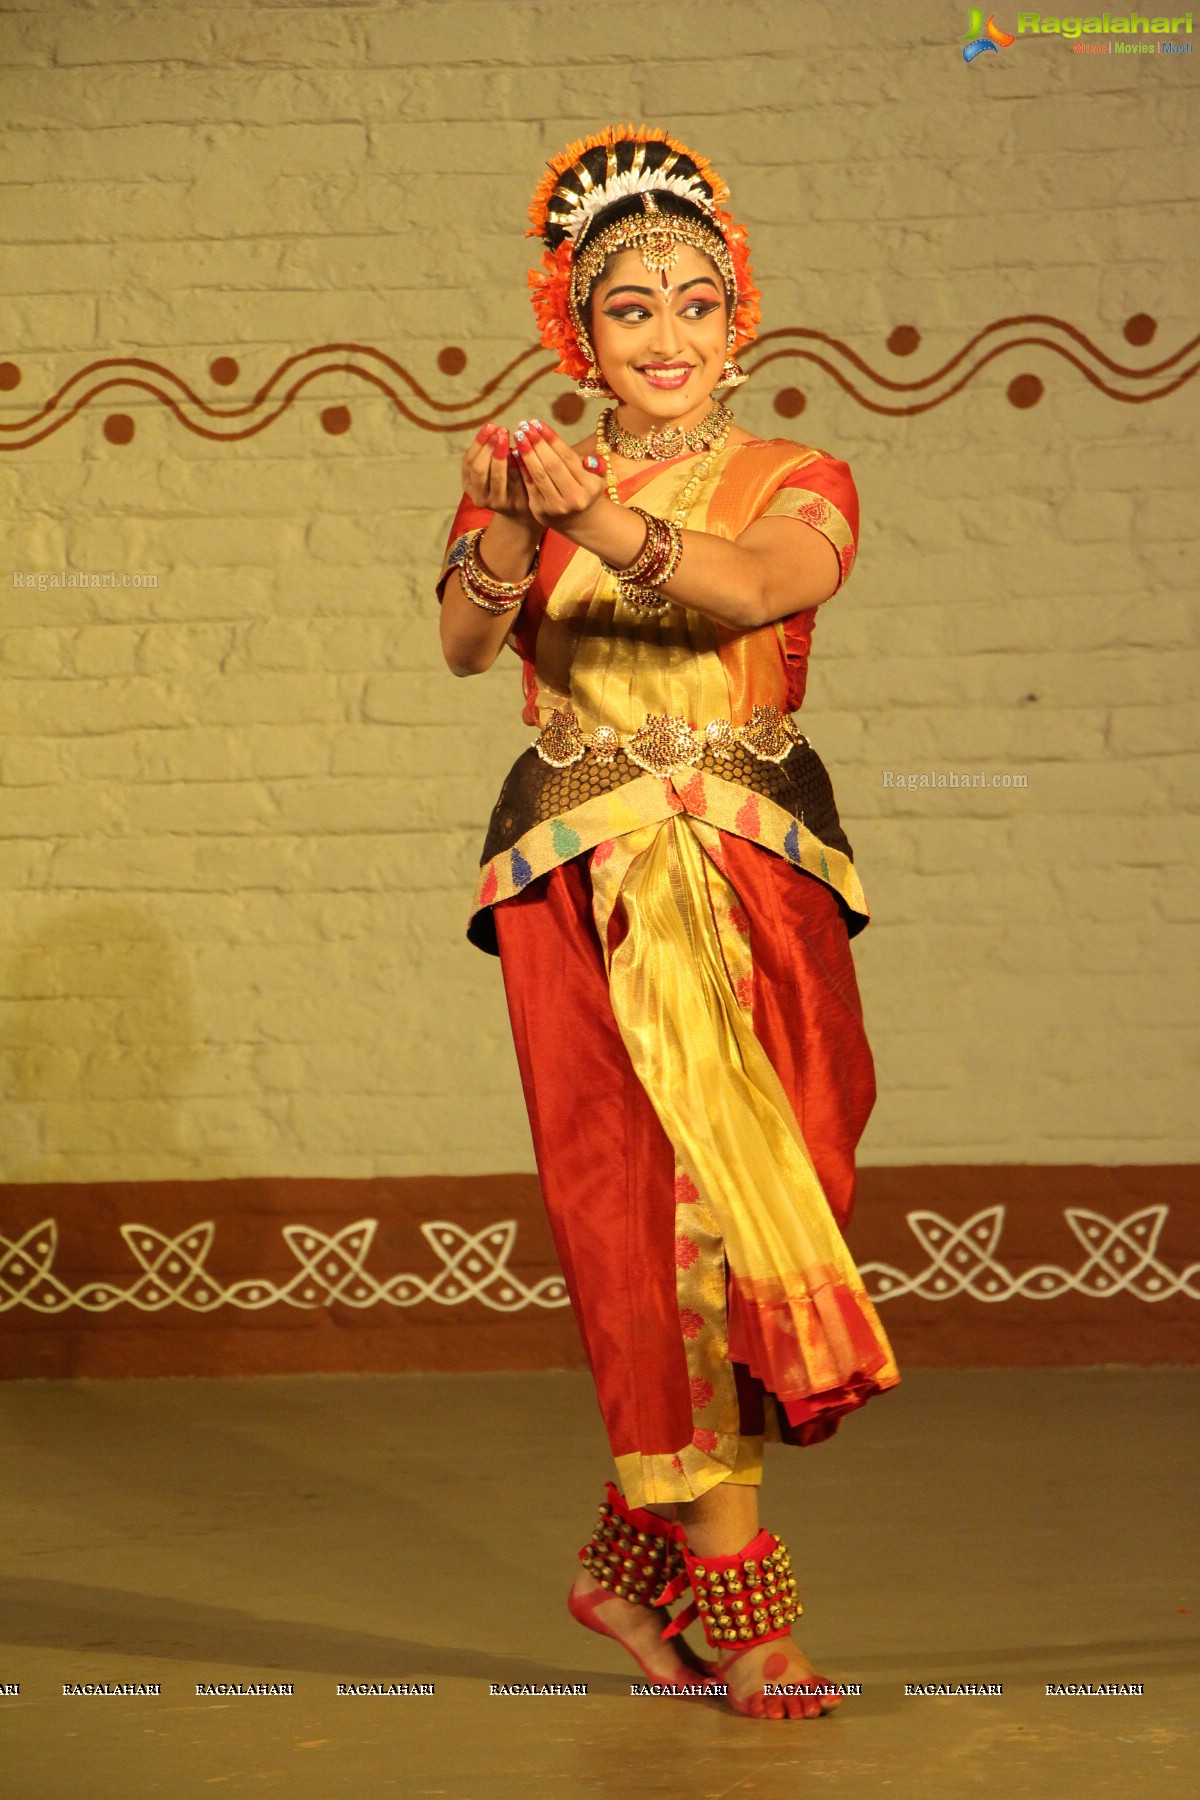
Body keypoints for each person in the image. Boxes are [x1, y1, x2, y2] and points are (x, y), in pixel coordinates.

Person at [436, 125, 899, 1723]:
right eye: (629, 311)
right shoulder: (532, 481)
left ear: (738, 318)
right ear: (582, 334)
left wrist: (600, 522)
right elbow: (457, 640)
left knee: (790, 1203)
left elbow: (757, 591)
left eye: (695, 304)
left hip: (759, 874)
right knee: (674, 1221)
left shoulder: (797, 478)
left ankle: (625, 1569)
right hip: (591, 883)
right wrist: (509, 514)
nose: (667, 337)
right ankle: (742, 1608)